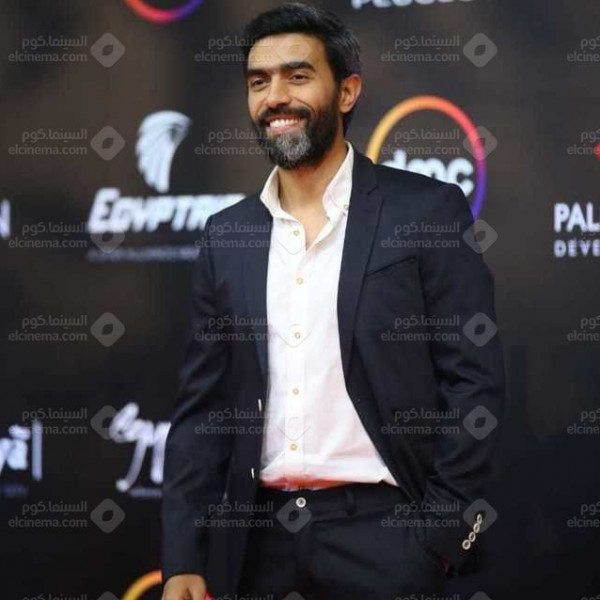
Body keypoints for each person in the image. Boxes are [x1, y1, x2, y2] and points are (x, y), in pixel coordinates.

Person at [161, 3, 505, 599]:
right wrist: (184, 559)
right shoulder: (227, 236)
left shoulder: (425, 211)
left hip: (389, 541)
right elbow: (203, 412)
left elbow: (473, 382)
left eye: (297, 77)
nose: (276, 98)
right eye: (259, 82)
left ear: (347, 91)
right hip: (260, 549)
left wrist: (438, 540)